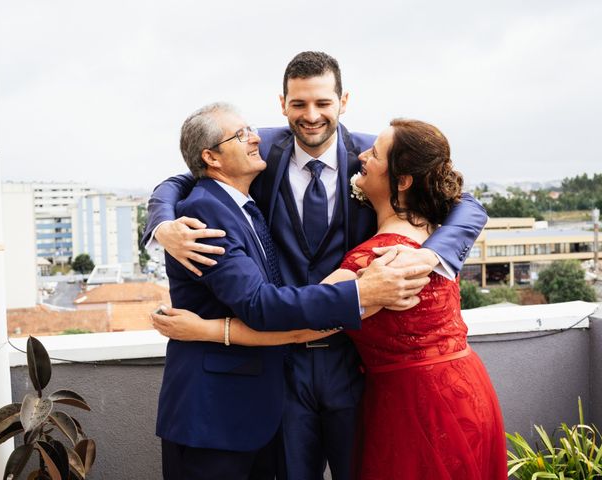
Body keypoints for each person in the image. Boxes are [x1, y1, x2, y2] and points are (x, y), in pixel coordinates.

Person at [145, 52, 488, 479]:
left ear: (343, 101)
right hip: (280, 366)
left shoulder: (374, 155)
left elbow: (465, 203)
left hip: (353, 364)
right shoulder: (260, 149)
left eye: (323, 103)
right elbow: (183, 177)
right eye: (299, 104)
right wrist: (160, 225)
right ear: (283, 103)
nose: (311, 116)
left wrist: (432, 255)